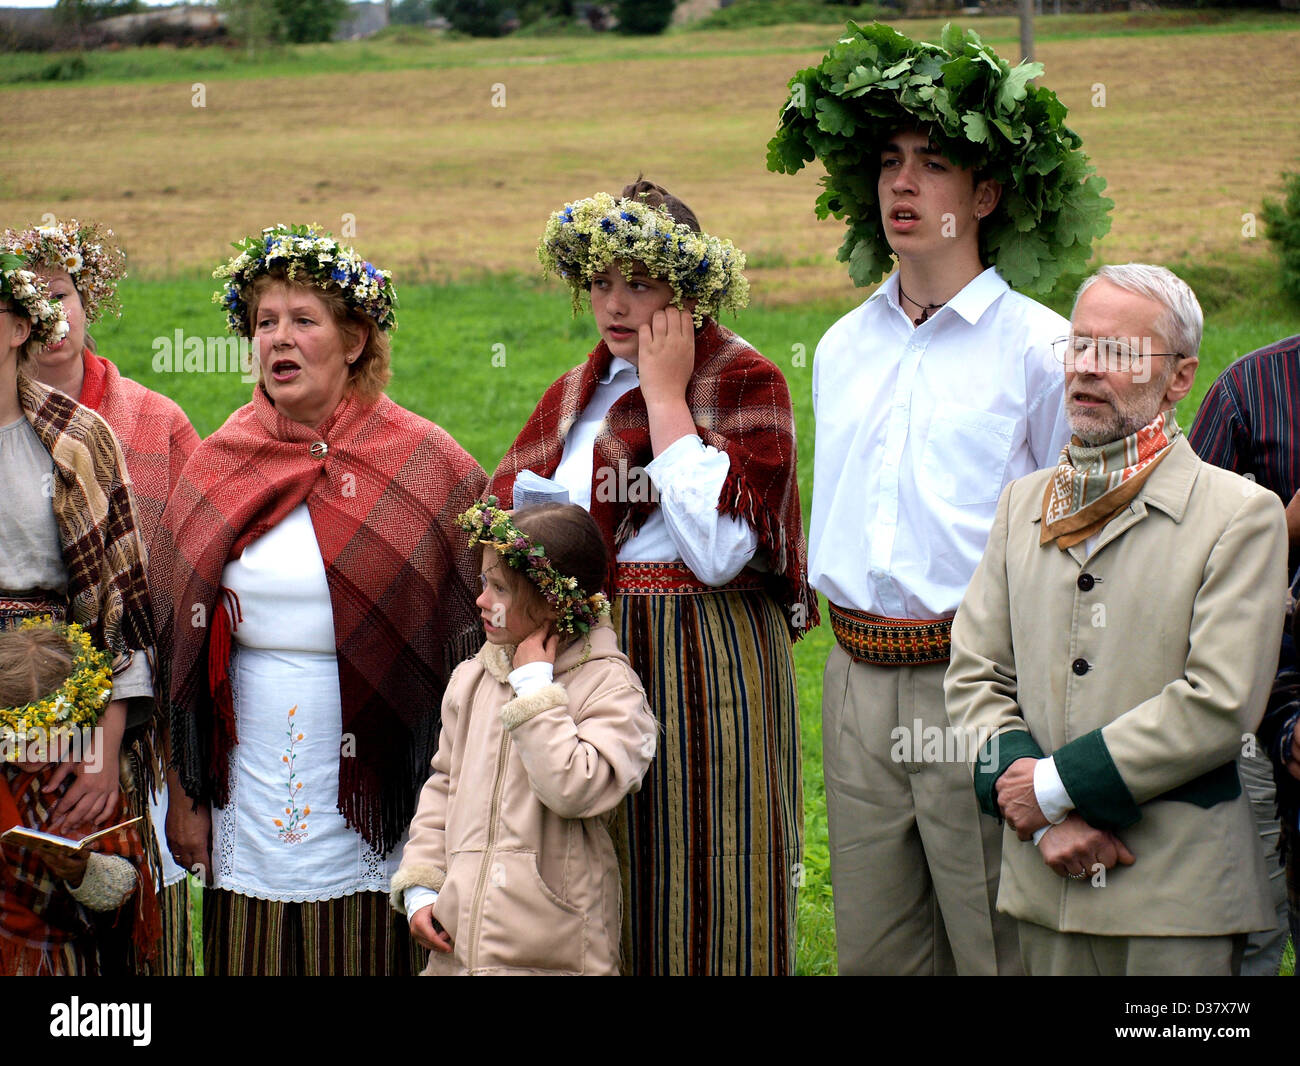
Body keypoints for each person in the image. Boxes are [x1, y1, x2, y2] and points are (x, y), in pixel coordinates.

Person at [769, 24, 1112, 974]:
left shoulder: (1041, 349)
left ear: (988, 195)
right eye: (888, 163)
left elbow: (1080, 540)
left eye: (933, 164)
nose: (902, 185)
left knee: (995, 940)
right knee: (876, 947)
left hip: (981, 685)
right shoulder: (842, 345)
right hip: (852, 681)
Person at [490, 181, 815, 975]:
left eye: (639, 282)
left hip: (705, 661)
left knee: (706, 873)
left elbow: (716, 554)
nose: (616, 303)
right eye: (601, 282)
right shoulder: (577, 392)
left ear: (690, 289)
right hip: (590, 650)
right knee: (597, 865)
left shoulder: (743, 383)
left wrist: (666, 397)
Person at [153, 224, 485, 976]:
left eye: (304, 321)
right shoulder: (221, 461)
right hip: (249, 773)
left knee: (363, 948)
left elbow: (477, 622)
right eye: (265, 322)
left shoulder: (424, 461)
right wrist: (185, 792)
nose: (280, 339)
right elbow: (177, 643)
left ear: (356, 339)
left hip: (381, 769)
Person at [945, 264, 1286, 976]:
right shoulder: (1023, 504)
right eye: (1079, 346)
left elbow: (1219, 702)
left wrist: (1049, 789)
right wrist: (1043, 824)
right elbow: (976, 674)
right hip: (1046, 883)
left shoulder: (1241, 515)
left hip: (1175, 900)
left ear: (1180, 377)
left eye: (1120, 352)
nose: (1088, 369)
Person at [4, 217, 201, 974]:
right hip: (24, 703)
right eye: (34, 305)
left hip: (120, 718)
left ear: (87, 302)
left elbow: (169, 592)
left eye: (62, 297)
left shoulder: (152, 423)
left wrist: (153, 755)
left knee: (113, 915)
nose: (52, 320)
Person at [392, 501, 655, 975]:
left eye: (499, 588)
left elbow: (575, 789)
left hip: (553, 951)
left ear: (553, 601)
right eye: (483, 583)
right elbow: (444, 786)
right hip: (459, 947)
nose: (481, 601)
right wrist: (423, 885)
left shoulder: (608, 686)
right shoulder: (473, 678)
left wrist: (535, 688)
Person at [1187, 333, 1300, 975]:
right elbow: (1179, 562)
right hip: (1251, 709)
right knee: (1247, 925)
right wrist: (1282, 531)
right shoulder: (1251, 390)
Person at [0, 620, 159, 976]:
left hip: (62, 956)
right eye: (14, 739)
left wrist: (82, 871)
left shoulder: (88, 786)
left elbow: (123, 883)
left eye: (44, 736)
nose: (29, 752)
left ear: (76, 717)